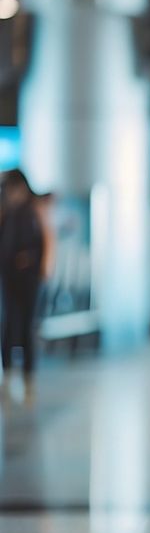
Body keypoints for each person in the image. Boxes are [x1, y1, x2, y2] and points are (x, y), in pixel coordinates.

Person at [0, 169, 48, 402]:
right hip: (8, 277)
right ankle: (8, 377)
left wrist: (40, 268)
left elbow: (45, 243)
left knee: (27, 326)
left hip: (29, 279)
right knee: (9, 325)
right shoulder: (7, 212)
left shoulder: (34, 211)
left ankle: (29, 379)